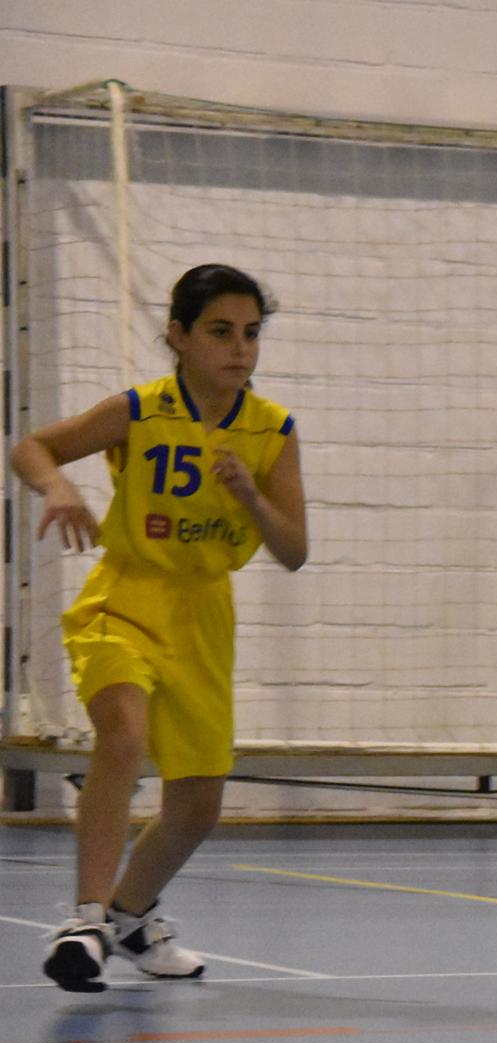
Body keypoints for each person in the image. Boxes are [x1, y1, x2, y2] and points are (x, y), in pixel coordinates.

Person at [10, 263, 310, 993]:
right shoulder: (141, 410)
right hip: (126, 596)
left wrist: (252, 497)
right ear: (178, 335)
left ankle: (132, 915)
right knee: (123, 733)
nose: (239, 348)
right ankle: (85, 920)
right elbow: (32, 447)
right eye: (220, 331)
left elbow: (295, 550)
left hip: (204, 614)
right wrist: (58, 486)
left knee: (198, 804)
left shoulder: (273, 429)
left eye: (251, 333)